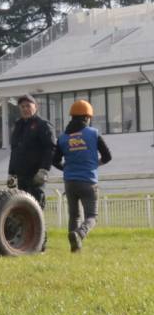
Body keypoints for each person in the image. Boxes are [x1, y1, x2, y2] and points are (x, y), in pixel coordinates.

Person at [52, 99, 112, 252]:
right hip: (88, 181)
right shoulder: (93, 133)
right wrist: (94, 164)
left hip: (70, 182)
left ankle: (75, 248)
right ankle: (80, 233)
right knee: (92, 216)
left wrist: (66, 168)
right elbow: (107, 156)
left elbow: (54, 161)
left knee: (74, 216)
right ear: (87, 117)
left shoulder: (63, 138)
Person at [6, 93, 55, 208]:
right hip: (21, 176)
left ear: (35, 107)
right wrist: (11, 173)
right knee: (23, 209)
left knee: (36, 207)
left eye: (28, 106)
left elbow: (50, 147)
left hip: (36, 175)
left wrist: (44, 170)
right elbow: (15, 150)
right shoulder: (18, 126)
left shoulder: (43, 125)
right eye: (22, 107)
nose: (25, 109)